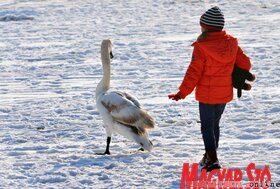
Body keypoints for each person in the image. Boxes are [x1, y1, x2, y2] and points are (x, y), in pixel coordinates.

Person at [168, 6, 253, 171]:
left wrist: (182, 93)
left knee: (207, 127)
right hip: (224, 94)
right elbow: (245, 63)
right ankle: (209, 156)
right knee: (215, 125)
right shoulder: (231, 43)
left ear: (204, 26)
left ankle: (212, 159)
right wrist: (234, 71)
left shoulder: (202, 47)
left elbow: (193, 73)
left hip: (207, 96)